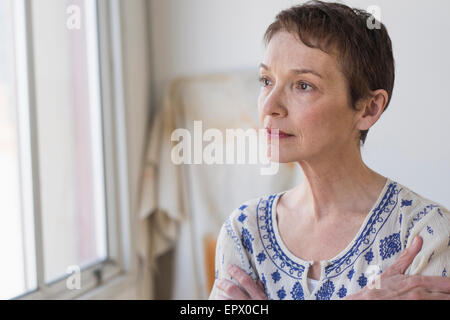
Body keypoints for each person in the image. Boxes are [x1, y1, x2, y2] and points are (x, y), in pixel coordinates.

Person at [209, 0, 450, 300]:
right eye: (266, 80)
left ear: (368, 108)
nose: (269, 106)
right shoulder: (244, 232)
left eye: (303, 85)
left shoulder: (424, 234)